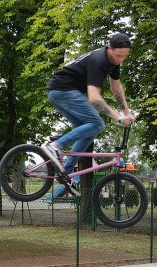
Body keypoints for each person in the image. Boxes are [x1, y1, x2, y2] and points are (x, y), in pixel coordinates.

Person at [41, 33, 136, 189]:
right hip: (63, 90)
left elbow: (117, 88)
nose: (120, 60)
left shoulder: (114, 62)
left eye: (124, 57)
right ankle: (55, 146)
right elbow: (94, 98)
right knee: (97, 123)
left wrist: (126, 111)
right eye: (118, 55)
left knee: (89, 131)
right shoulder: (99, 61)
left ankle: (65, 171)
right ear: (109, 48)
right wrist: (116, 116)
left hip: (60, 92)